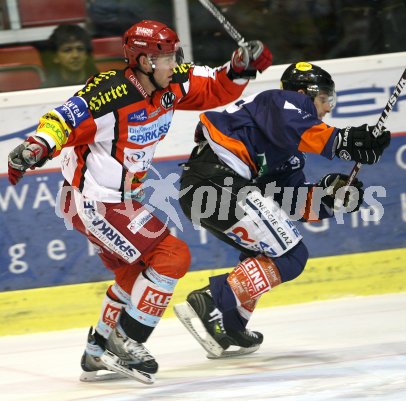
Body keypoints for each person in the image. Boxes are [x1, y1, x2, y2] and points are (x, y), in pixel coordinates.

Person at [7, 20, 272, 384]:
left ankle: (97, 350)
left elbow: (214, 89)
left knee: (135, 276)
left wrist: (241, 66)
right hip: (95, 202)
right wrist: (37, 145)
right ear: (145, 61)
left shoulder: (172, 83)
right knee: (171, 256)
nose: (175, 62)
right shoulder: (109, 93)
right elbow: (62, 120)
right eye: (166, 57)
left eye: (174, 55)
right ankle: (128, 340)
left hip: (116, 199)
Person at [174, 61, 391, 358]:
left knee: (265, 253)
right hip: (215, 180)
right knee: (291, 255)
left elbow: (288, 201)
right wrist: (346, 141)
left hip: (207, 188)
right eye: (324, 99)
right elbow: (305, 128)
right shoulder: (280, 101)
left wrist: (332, 198)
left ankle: (229, 321)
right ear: (304, 93)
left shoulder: (285, 150)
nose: (327, 108)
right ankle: (211, 301)